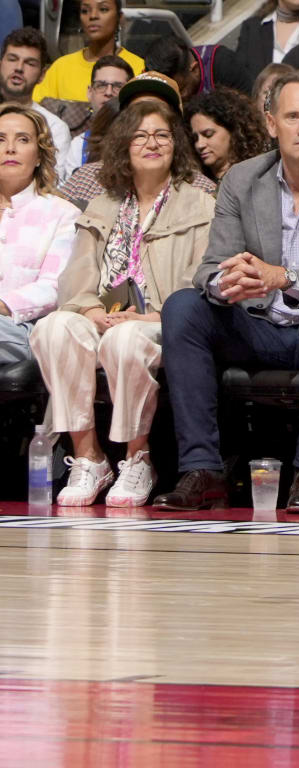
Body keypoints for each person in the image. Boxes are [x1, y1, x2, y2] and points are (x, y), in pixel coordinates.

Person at [151, 71, 299, 512]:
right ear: (270, 124)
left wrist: (283, 276)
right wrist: (229, 281)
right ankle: (202, 469)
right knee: (183, 307)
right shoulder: (243, 180)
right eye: (292, 116)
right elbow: (211, 266)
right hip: (254, 323)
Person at [31, 81, 213, 506]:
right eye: (141, 135)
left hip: (160, 321)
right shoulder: (104, 203)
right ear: (123, 145)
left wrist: (149, 317)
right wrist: (91, 309)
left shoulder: (200, 203)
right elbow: (77, 276)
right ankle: (88, 456)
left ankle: (137, 458)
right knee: (54, 328)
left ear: (176, 144)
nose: (152, 143)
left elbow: (200, 279)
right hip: (104, 315)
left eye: (162, 135)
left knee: (125, 338)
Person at [0, 104, 77, 379]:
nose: (10, 148)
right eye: (0, 139)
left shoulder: (62, 214)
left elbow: (53, 287)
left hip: (25, 327)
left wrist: (2, 304)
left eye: (22, 139)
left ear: (38, 155)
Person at [35, 0, 145, 103]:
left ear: (120, 18)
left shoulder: (139, 68)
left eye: (103, 9)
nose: (92, 16)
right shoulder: (60, 68)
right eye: (85, 11)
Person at [1, 30, 73, 164]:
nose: (19, 68)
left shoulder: (54, 128)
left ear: (42, 75)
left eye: (30, 63)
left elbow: (54, 182)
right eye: (12, 59)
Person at [187, 87, 269, 183]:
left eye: (208, 134)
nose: (199, 145)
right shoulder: (196, 183)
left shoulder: (259, 176)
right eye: (195, 138)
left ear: (234, 131)